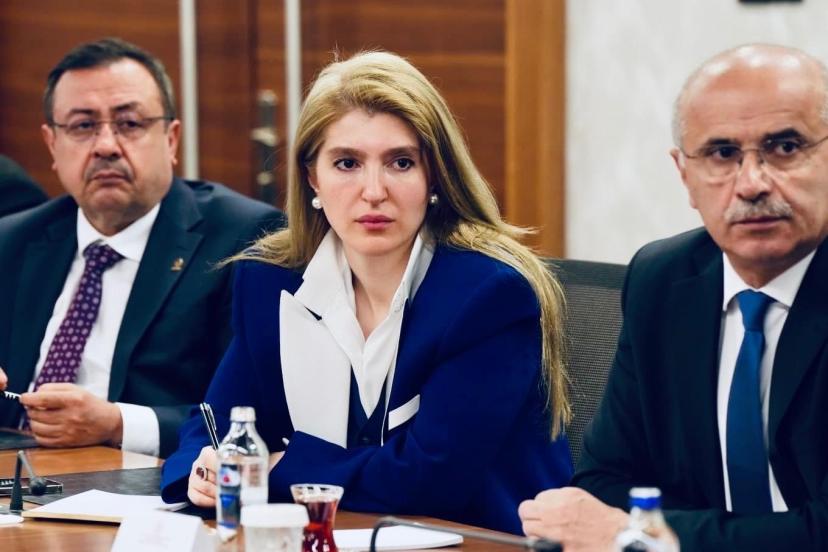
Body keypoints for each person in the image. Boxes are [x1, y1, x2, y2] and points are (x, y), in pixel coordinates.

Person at [160, 50, 573, 534]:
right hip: (334, 536)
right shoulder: (270, 280)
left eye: (401, 163)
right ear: (312, 178)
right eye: (347, 163)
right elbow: (219, 421)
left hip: (479, 539)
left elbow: (428, 479)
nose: (373, 191)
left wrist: (275, 469)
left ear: (434, 176)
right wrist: (203, 470)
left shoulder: (488, 296)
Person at [519, 44, 828, 551]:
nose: (752, 183)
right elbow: (606, 479)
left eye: (786, 147)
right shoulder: (663, 279)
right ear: (685, 175)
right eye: (722, 154)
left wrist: (641, 536)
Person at [0, 38, 283, 458]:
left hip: (153, 481)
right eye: (82, 126)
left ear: (171, 139)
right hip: (19, 475)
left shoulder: (243, 240)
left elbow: (258, 415)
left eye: (129, 124)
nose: (106, 146)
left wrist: (117, 423)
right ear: (52, 145)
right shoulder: (13, 240)